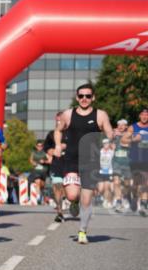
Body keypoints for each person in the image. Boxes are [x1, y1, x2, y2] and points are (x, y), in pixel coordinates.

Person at [53, 83, 114, 244]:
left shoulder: (100, 115)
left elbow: (109, 132)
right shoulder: (68, 114)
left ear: (93, 97)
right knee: (73, 194)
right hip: (71, 160)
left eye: (88, 96)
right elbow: (58, 130)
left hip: (91, 161)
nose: (84, 99)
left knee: (86, 200)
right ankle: (73, 202)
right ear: (77, 97)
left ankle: (82, 231)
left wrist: (109, 140)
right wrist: (58, 145)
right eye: (81, 96)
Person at [111, 120, 133, 212]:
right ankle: (118, 201)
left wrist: (120, 137)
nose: (120, 127)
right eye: (118, 125)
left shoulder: (130, 136)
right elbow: (110, 145)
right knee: (116, 182)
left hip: (127, 163)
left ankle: (126, 196)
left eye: (122, 125)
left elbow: (127, 144)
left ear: (126, 127)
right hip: (116, 162)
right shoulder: (114, 136)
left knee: (127, 184)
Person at [131, 107, 148, 216]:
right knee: (136, 183)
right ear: (139, 116)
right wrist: (133, 139)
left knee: (145, 182)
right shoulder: (133, 127)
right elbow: (124, 140)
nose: (144, 117)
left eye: (146, 115)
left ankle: (143, 204)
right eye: (143, 115)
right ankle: (135, 198)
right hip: (135, 158)